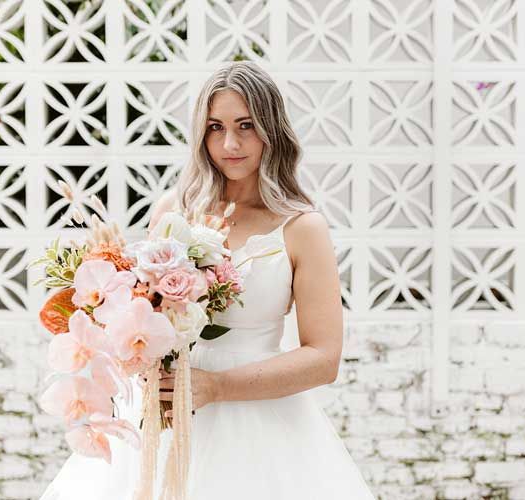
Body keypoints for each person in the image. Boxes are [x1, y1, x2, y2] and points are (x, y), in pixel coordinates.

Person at [39, 61, 375, 500]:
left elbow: (324, 357)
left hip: (262, 426)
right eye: (215, 127)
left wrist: (217, 387)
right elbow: (143, 315)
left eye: (246, 126)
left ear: (272, 131)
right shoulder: (172, 212)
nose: (229, 143)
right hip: (166, 414)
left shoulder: (301, 227)